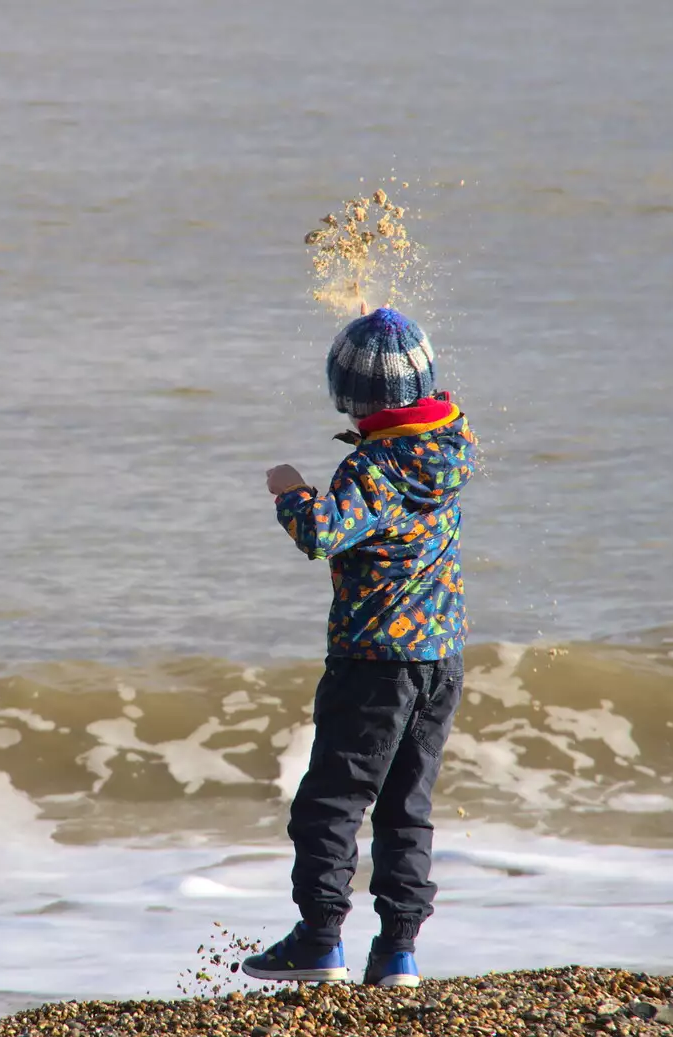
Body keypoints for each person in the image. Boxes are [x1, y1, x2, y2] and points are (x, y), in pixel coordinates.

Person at [241, 303, 477, 988]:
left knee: (331, 801)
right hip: (441, 658)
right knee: (408, 804)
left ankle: (318, 937)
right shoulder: (451, 446)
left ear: (352, 400)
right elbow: (429, 414)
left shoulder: (372, 470)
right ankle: (398, 950)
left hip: (373, 661)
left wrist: (291, 493)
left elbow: (322, 534)